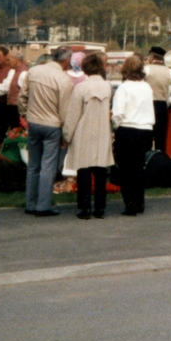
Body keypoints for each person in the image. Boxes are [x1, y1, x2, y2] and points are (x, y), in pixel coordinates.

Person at [18, 47, 75, 216]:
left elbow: (23, 96)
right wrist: (66, 135)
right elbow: (65, 112)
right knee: (48, 166)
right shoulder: (65, 80)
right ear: (66, 60)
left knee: (33, 165)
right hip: (52, 124)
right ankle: (43, 205)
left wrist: (25, 114)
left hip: (34, 121)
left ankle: (31, 203)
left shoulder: (34, 71)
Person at [62, 51, 114, 219]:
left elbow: (73, 115)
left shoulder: (81, 88)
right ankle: (100, 208)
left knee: (83, 170)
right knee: (100, 171)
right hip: (101, 132)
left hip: (84, 131)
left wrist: (67, 136)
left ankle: (84, 209)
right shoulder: (107, 87)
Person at [111, 54, 155, 216]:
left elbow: (117, 113)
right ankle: (139, 202)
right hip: (145, 129)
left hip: (127, 129)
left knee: (126, 169)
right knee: (138, 168)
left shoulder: (124, 88)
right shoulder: (147, 87)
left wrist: (116, 127)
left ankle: (130, 205)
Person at [144, 46, 171, 153]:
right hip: (162, 105)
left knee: (148, 134)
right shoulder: (170, 72)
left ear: (151, 57)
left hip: (147, 104)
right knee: (161, 136)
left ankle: (147, 159)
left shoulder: (146, 69)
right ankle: (159, 160)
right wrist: (168, 102)